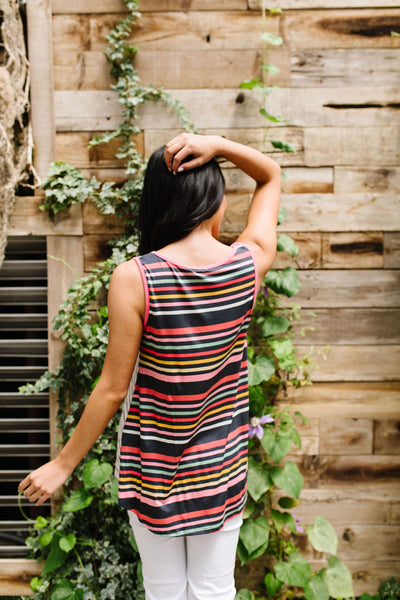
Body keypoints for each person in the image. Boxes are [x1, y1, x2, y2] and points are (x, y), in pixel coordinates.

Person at [19, 133, 281, 600]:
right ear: (215, 199)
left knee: (163, 590)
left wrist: (64, 463)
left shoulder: (135, 277)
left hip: (152, 467)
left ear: (159, 203)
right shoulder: (248, 263)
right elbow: (270, 175)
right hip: (220, 466)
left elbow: (113, 389)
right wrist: (217, 145)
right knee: (214, 589)